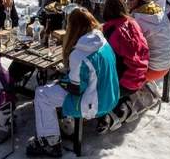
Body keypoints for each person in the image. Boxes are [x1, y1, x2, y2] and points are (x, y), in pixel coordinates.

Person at [26, 8, 119, 157]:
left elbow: (76, 89)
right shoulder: (102, 41)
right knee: (54, 86)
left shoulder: (79, 54)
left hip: (95, 103)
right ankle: (59, 127)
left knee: (42, 93)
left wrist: (61, 82)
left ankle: (51, 143)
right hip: (110, 96)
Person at [98, 0, 149, 134]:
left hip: (125, 83)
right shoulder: (133, 23)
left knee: (95, 78)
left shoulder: (111, 31)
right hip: (141, 76)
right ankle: (123, 104)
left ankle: (105, 114)